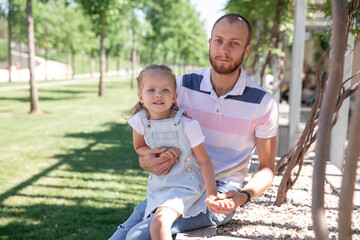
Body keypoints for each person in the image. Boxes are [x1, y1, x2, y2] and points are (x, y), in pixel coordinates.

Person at [109, 13, 279, 240]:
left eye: (234, 43)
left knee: (138, 236)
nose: (224, 49)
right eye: (218, 41)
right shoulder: (180, 86)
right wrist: (147, 159)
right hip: (177, 184)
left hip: (217, 195)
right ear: (210, 44)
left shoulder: (263, 103)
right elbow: (147, 126)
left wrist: (243, 196)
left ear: (246, 50)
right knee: (119, 236)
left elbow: (267, 168)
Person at [125, 64, 219, 240]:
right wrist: (155, 152)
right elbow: (139, 147)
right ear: (140, 97)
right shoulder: (140, 121)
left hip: (185, 185)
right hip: (160, 185)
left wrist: (212, 195)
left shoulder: (187, 125)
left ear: (174, 97)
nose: (158, 94)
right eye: (151, 90)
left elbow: (204, 161)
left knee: (159, 223)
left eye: (165, 90)